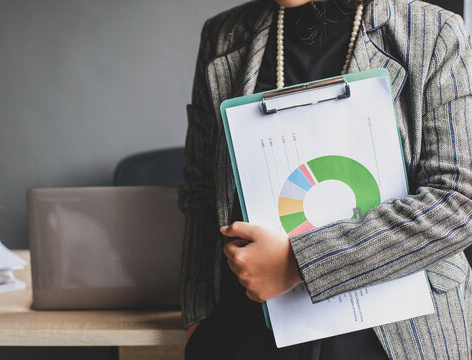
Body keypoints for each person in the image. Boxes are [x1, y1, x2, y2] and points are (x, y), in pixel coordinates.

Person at [180, 0, 472, 358]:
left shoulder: (435, 32)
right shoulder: (223, 36)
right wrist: (197, 317)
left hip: (396, 334)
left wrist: (300, 263)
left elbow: (458, 200)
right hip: (253, 326)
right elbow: (200, 191)